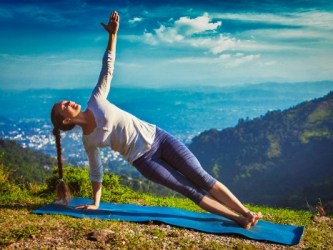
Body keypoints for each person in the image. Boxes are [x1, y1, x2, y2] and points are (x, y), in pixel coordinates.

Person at [50, 11, 261, 229]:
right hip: (144, 161)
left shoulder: (95, 100)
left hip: (159, 137)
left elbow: (107, 69)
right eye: (64, 106)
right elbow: (96, 171)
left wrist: (112, 36)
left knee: (201, 177)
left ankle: (246, 212)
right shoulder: (89, 140)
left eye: (65, 101)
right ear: (65, 121)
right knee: (188, 189)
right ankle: (238, 219)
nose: (68, 102)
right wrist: (96, 203)